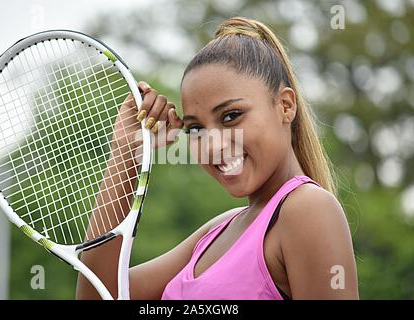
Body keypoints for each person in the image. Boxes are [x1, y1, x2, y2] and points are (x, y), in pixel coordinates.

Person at [76, 17, 359, 300]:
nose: (212, 145)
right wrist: (127, 150)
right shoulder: (215, 233)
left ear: (285, 106)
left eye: (231, 116)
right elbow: (99, 295)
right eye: (196, 128)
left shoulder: (307, 208)